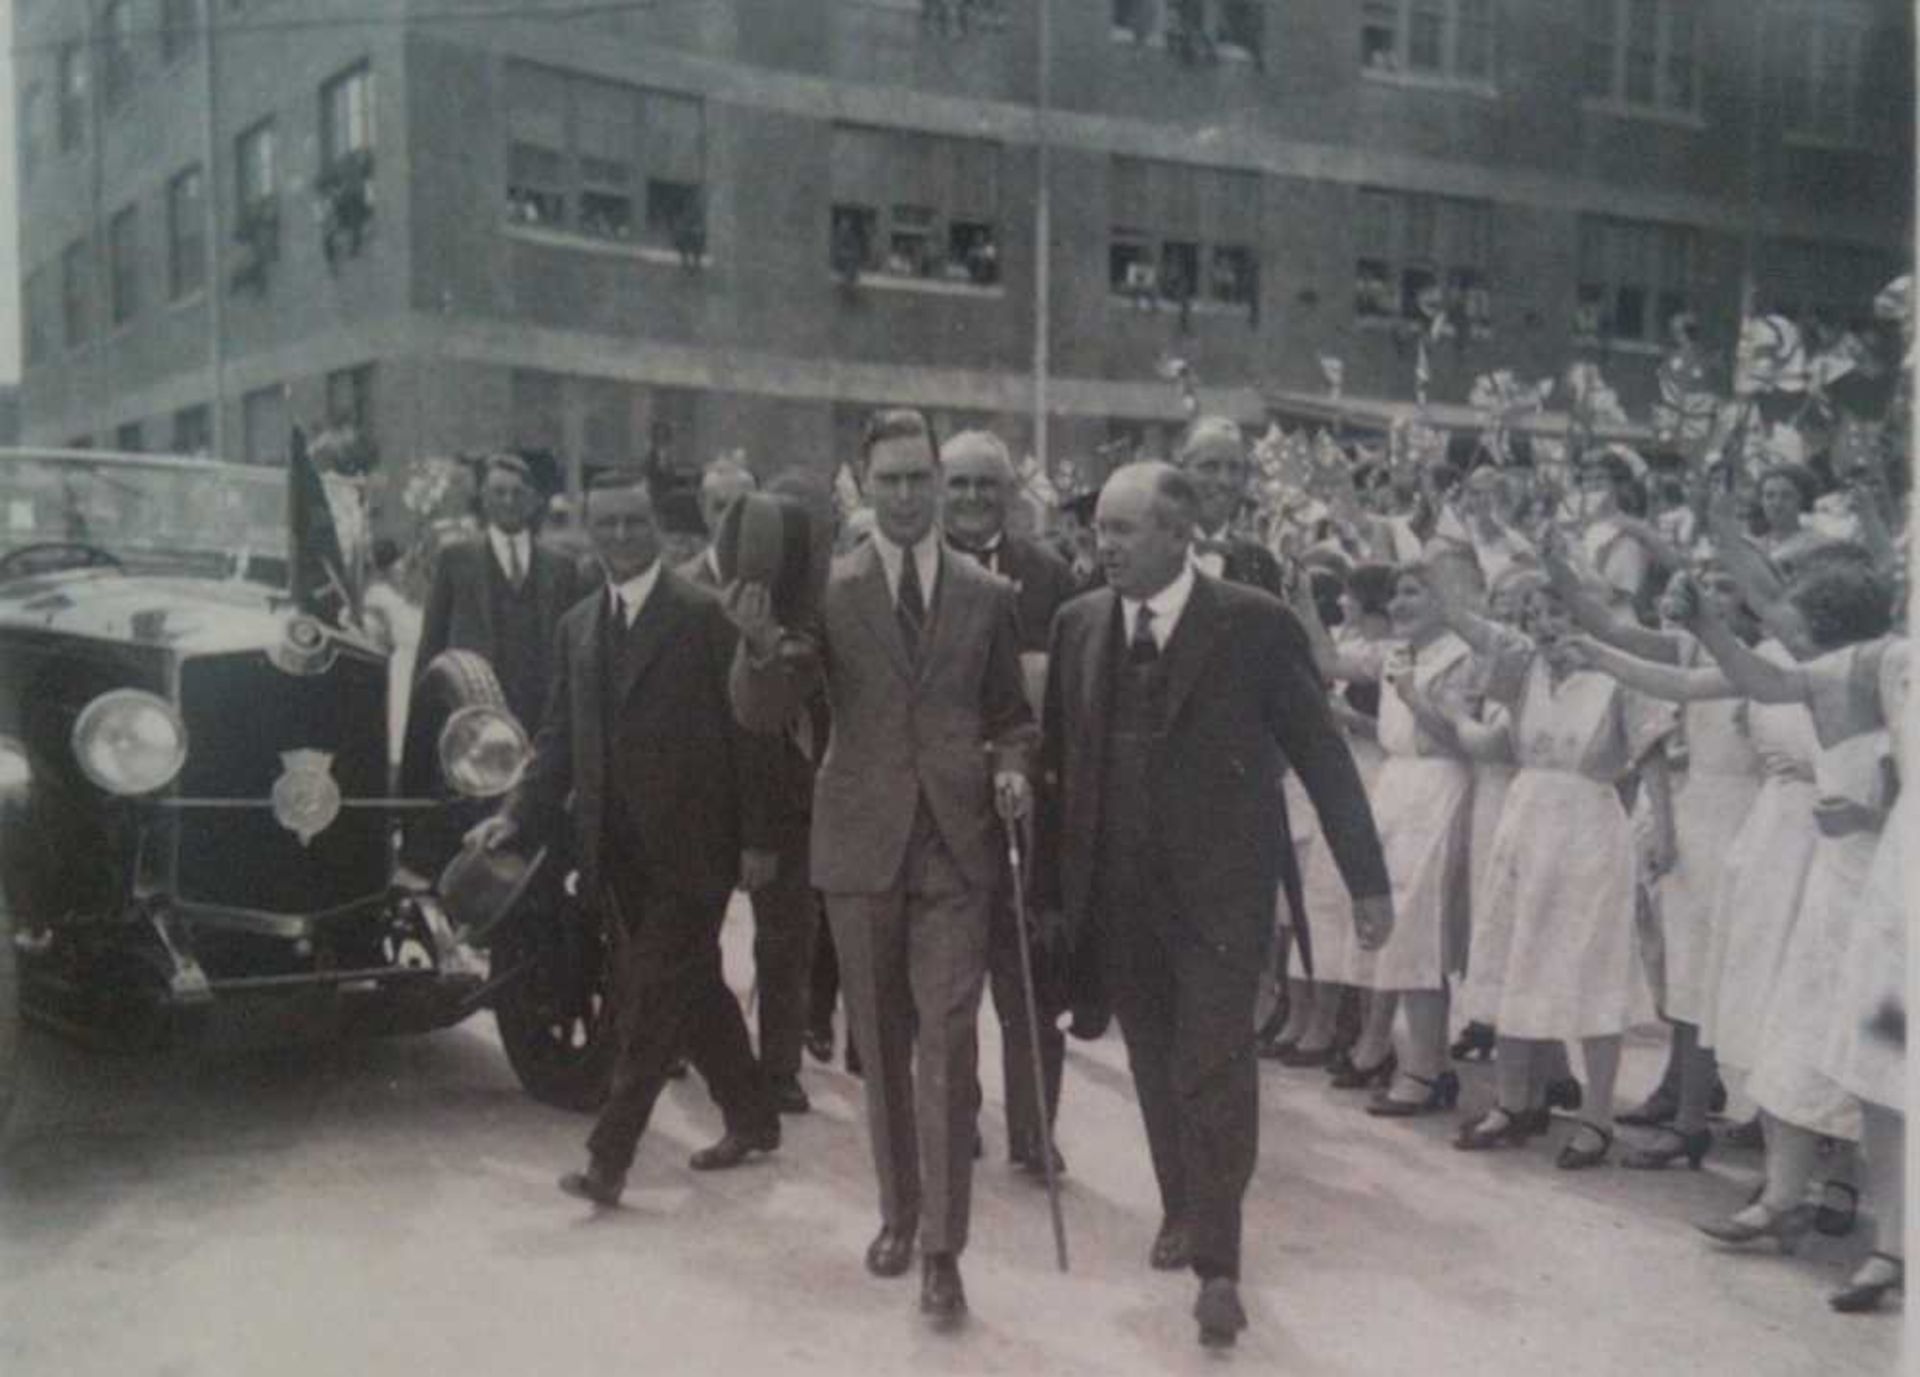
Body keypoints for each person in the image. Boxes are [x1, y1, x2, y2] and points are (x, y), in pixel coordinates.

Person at [1035, 462, 1392, 1349]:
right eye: (1100, 531)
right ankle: (1183, 1207)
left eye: (1123, 530)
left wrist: (1367, 878)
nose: (1103, 545)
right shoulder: (1078, 624)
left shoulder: (1253, 626)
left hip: (1222, 898)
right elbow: (1057, 775)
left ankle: (1219, 1267)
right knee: (1155, 1065)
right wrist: (1048, 891)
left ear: (1178, 533)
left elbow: (1321, 753)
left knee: (1216, 1064)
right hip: (1117, 897)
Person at [726, 409, 1036, 1328]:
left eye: (919, 478)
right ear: (865, 488)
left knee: (946, 1040)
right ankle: (898, 1213)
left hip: (955, 843)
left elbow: (1013, 717)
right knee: (884, 1050)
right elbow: (766, 706)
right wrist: (752, 646)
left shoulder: (986, 592)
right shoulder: (829, 587)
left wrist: (1016, 769)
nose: (906, 495)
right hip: (860, 845)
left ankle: (943, 1251)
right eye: (889, 480)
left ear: (940, 483)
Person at [468, 470, 783, 1207]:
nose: (619, 538)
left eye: (632, 523)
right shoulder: (577, 625)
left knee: (646, 996)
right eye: (604, 524)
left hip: (696, 847)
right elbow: (554, 739)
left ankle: (609, 1158)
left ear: (658, 529)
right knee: (694, 986)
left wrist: (760, 839)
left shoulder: (704, 615)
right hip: (616, 852)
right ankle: (753, 1114)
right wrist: (515, 813)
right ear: (586, 529)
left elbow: (753, 735)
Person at [940, 428, 1080, 1175]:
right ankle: (957, 1117)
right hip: (944, 809)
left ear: (1008, 494)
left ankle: (1034, 1129)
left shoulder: (1049, 572)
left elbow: (1067, 690)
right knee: (949, 981)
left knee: (1027, 979)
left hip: (1028, 806)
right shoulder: (918, 566)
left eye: (985, 485)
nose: (970, 498)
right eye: (958, 484)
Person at [677, 458, 821, 1115]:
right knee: (692, 933)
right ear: (703, 512)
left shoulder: (794, 588)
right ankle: (690, 1040)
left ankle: (781, 1064)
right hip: (706, 791)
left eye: (744, 505)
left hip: (784, 790)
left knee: (785, 935)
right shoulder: (681, 590)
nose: (732, 520)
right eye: (718, 507)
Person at [416, 452, 586, 733]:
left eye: (518, 493)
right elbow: (432, 647)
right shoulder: (456, 559)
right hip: (473, 716)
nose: (509, 501)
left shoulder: (562, 567)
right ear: (484, 498)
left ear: (533, 500)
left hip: (541, 718)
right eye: (499, 492)